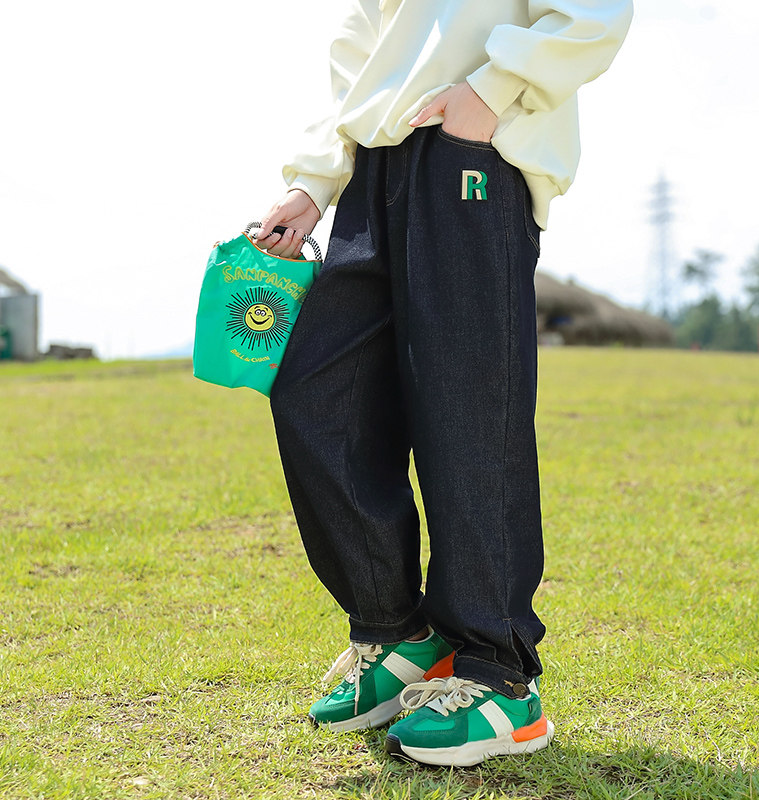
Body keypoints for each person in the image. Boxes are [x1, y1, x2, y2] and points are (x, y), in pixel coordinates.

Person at [253, 0, 633, 767]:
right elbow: (362, 46)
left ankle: (498, 673)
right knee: (314, 392)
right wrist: (315, 181)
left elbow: (595, 12)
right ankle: (399, 634)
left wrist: (488, 94)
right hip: (373, 165)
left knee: (468, 415)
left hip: (473, 148)